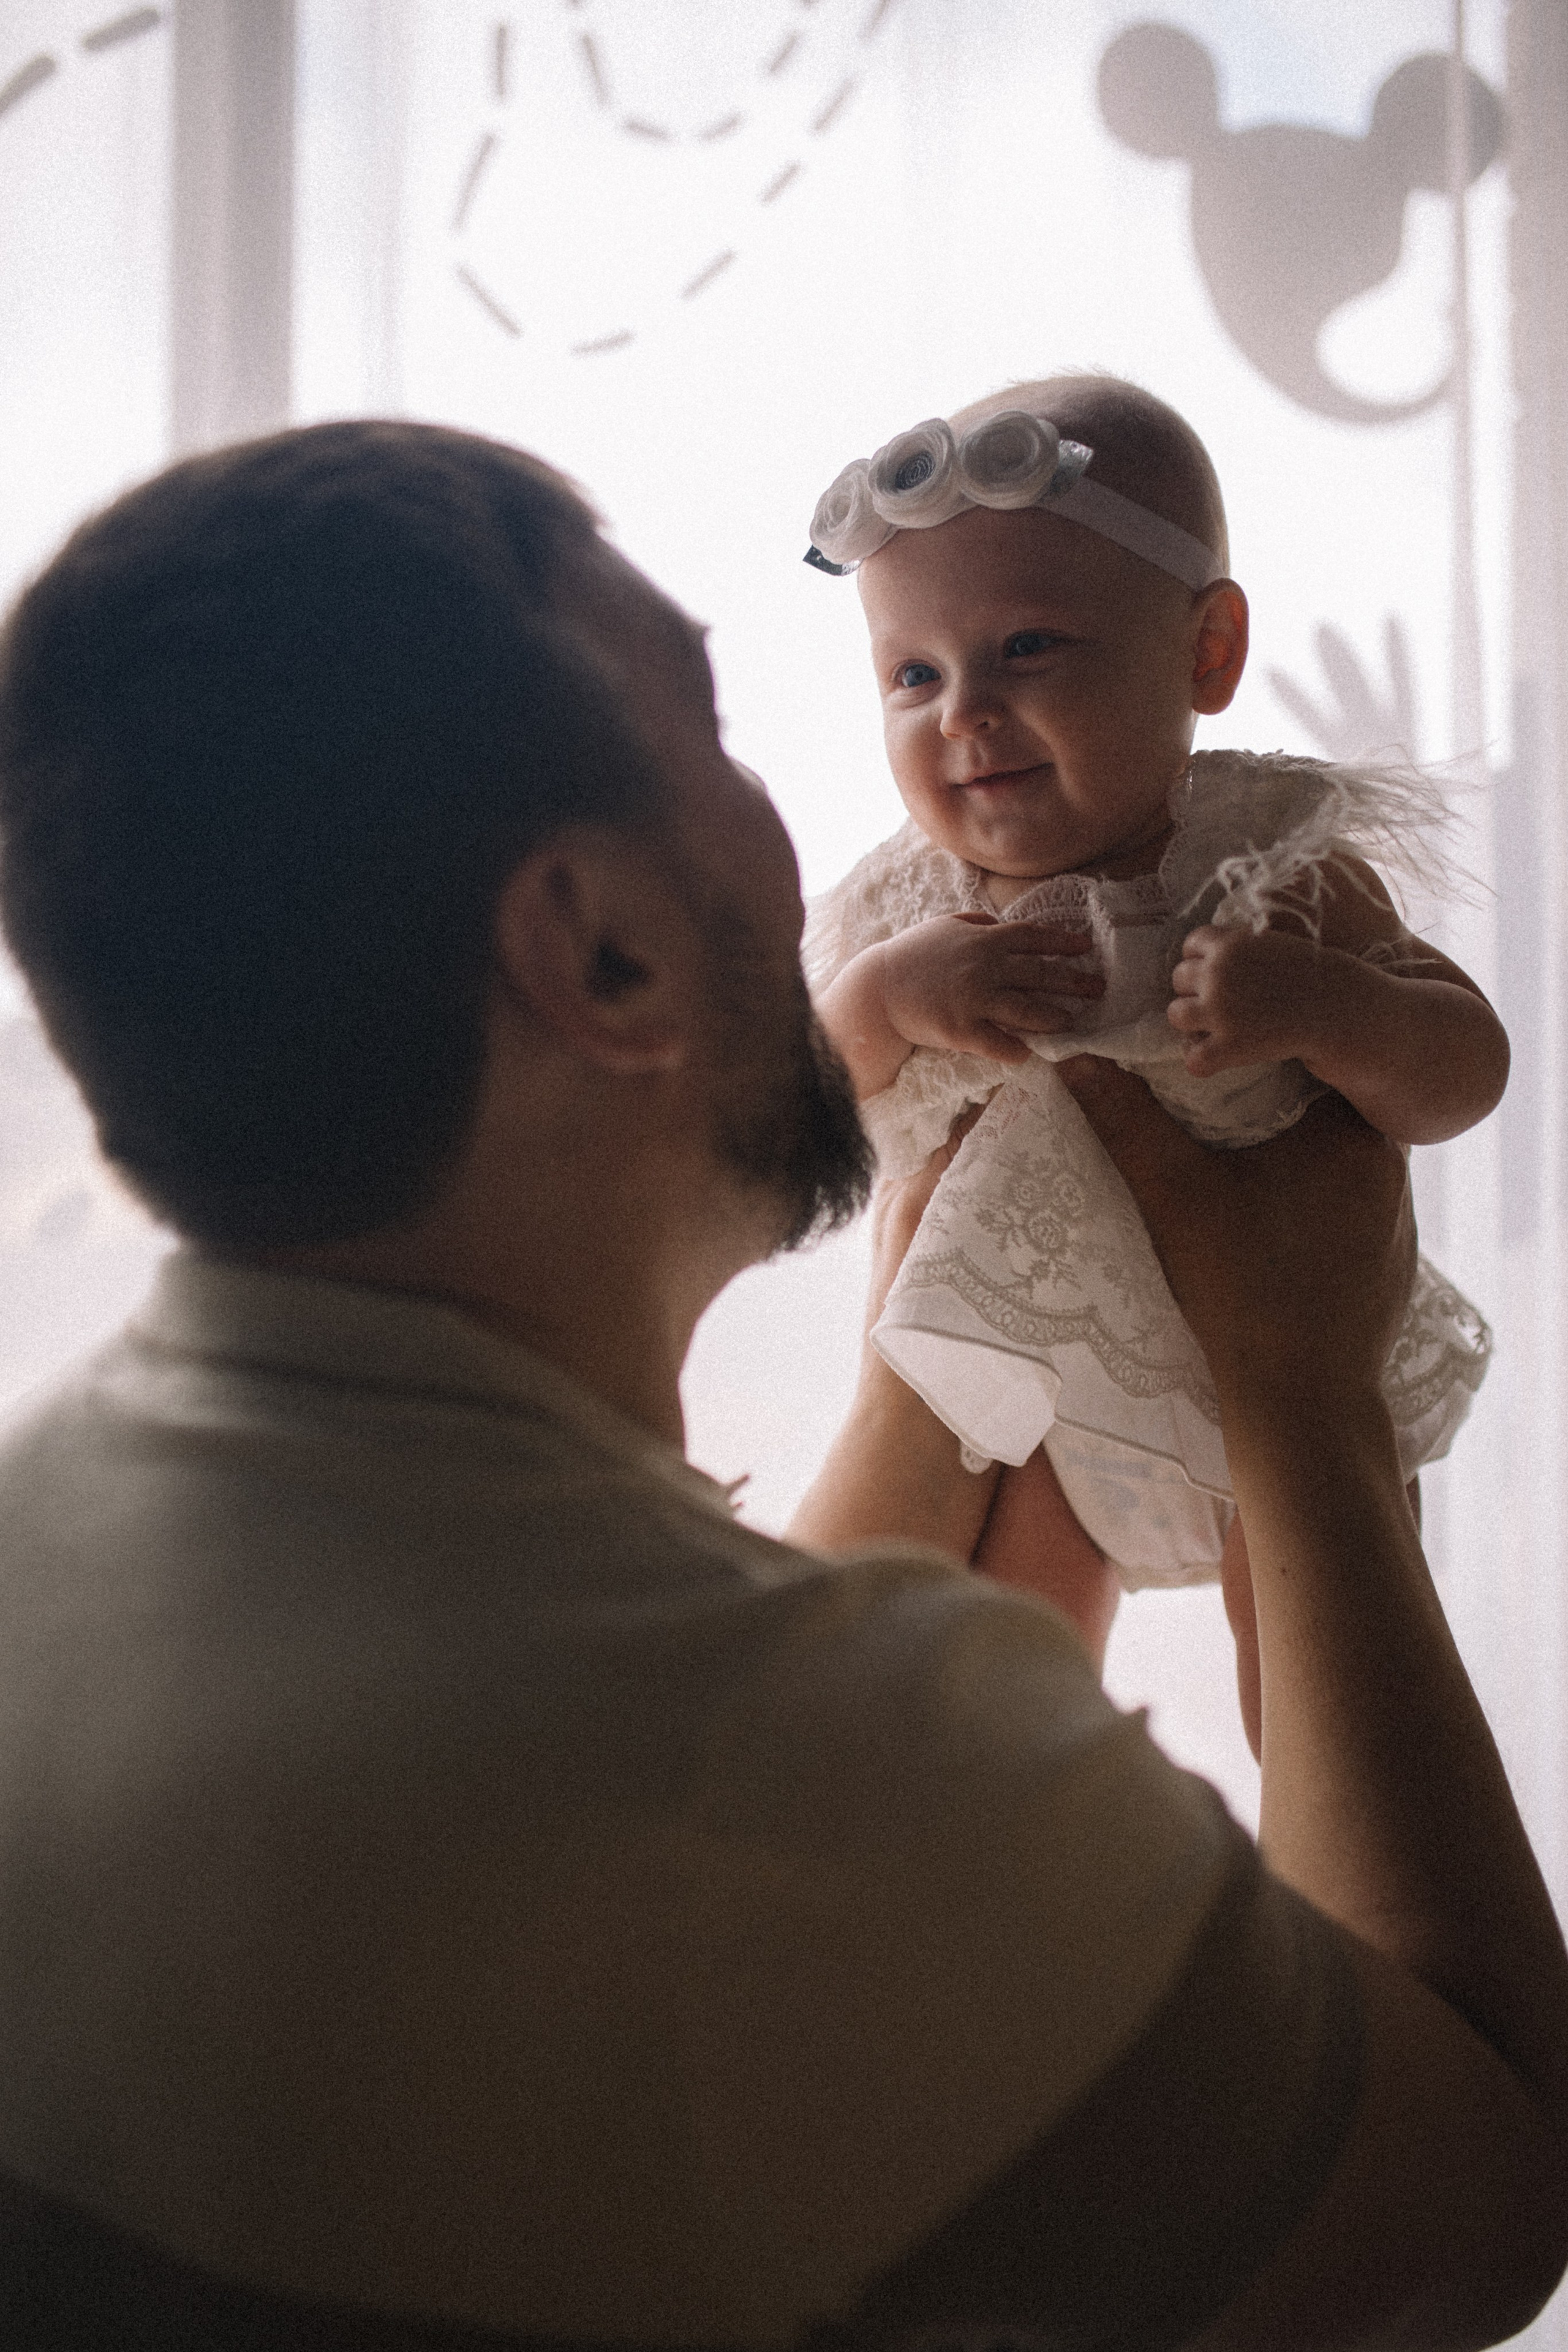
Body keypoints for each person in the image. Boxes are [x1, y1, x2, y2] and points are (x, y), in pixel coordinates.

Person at [0, 420, 1560, 2352]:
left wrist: (919, 1405)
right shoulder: (807, 1788)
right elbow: (1484, 2191)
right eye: (722, 736)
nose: (834, 811)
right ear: (600, 951)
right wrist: (1297, 1399)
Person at [802, 373, 1506, 1719]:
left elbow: (1462, 1066)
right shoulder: (905, 908)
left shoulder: (1268, 861)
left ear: (1204, 655)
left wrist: (1322, 1005)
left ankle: (1299, 1870)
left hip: (1279, 1380)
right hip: (1025, 1390)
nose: (961, 712)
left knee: (1312, 1670)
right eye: (912, 673)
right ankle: (1063, 1865)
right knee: (1012, 1675)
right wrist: (884, 1004)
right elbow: (805, 1114)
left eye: (1026, 649)